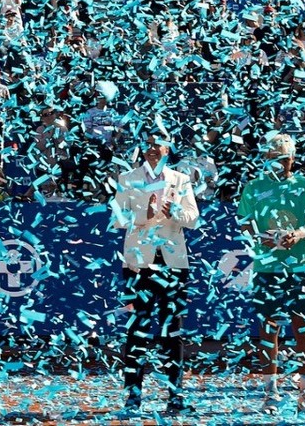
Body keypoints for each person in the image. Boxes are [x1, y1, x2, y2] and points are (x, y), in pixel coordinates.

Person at [237, 133, 305, 416]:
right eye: (275, 158)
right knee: (268, 332)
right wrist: (261, 237)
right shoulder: (254, 187)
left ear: (293, 158)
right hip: (267, 268)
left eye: (286, 158)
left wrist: (299, 234)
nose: (281, 163)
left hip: (301, 268)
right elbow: (244, 224)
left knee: (304, 331)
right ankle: (270, 393)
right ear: (266, 159)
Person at [111, 132, 199, 415]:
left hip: (173, 263)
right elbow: (117, 219)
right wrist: (144, 215)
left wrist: (174, 212)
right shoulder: (127, 178)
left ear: (167, 149)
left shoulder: (180, 179)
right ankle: (132, 398)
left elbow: (193, 218)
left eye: (157, 145)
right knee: (137, 330)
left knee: (172, 333)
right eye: (148, 145)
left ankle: (175, 397)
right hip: (138, 265)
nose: (152, 150)